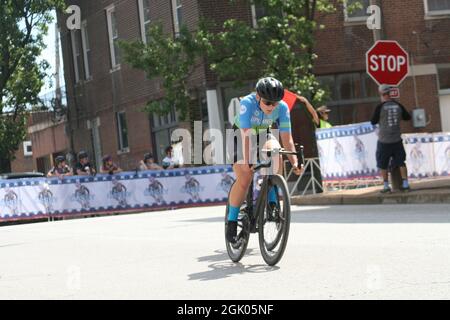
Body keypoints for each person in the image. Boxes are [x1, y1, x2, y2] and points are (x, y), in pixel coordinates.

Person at [226, 77, 303, 243]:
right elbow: (246, 136)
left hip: (262, 134)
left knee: (276, 153)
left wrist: (295, 162)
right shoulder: (247, 103)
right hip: (240, 135)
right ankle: (231, 222)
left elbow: (286, 138)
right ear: (258, 97)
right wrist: (248, 161)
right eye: (268, 103)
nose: (272, 107)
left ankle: (273, 204)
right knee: (245, 178)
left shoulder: (281, 107)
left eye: (275, 103)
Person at [371, 84, 412, 193]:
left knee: (382, 163)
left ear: (381, 94)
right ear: (389, 93)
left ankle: (385, 186)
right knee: (401, 162)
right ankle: (405, 184)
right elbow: (407, 117)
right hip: (397, 140)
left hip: (384, 141)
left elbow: (373, 121)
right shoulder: (398, 105)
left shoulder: (380, 107)